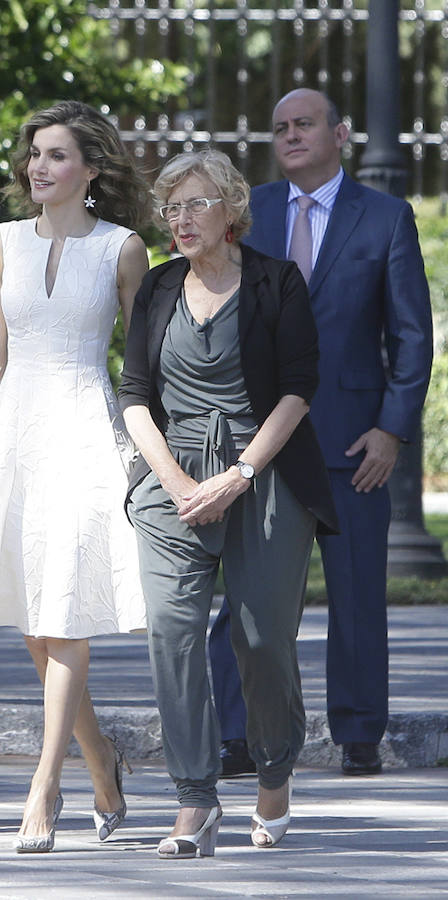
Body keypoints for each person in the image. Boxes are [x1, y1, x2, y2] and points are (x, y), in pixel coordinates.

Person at [0, 101, 150, 852]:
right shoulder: (0, 244)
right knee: (34, 630)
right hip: (13, 442)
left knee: (61, 618)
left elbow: (144, 362)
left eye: (57, 155)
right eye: (34, 154)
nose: (39, 166)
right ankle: (102, 762)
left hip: (86, 432)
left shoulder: (124, 249)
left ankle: (45, 785)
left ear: (92, 169)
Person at [119, 149, 338, 857]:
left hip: (263, 473)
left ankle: (273, 773)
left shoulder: (276, 283)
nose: (181, 219)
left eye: (196, 204)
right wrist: (179, 484)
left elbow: (299, 388)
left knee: (261, 638)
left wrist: (239, 473)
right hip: (171, 480)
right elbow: (133, 399)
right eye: (172, 207)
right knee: (170, 632)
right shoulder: (155, 289)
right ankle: (194, 801)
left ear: (232, 211)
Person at [209, 88, 433, 777]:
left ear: (340, 132)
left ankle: (359, 732)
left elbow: (412, 335)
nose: (290, 135)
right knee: (247, 593)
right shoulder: (251, 215)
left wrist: (392, 431)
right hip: (259, 438)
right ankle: (238, 735)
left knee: (359, 594)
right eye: (280, 128)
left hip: (351, 441)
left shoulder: (386, 217)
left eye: (304, 124)